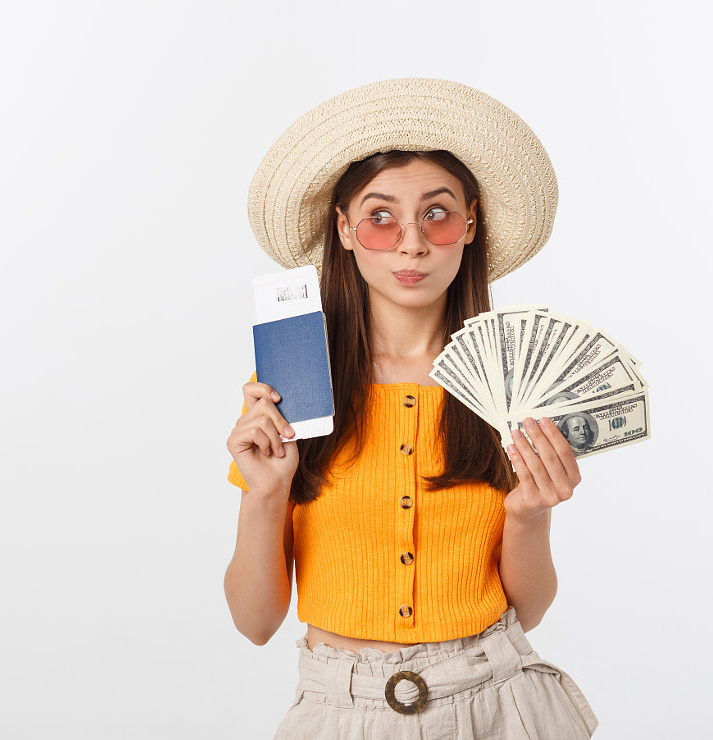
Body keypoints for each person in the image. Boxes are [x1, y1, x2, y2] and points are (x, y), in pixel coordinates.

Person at [225, 79, 598, 738]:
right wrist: (263, 495)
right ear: (342, 228)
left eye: (437, 213)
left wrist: (528, 515)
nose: (411, 243)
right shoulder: (292, 386)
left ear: (470, 224)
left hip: (496, 704)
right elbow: (255, 623)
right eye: (379, 216)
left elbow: (530, 610)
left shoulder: (506, 386)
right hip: (339, 712)